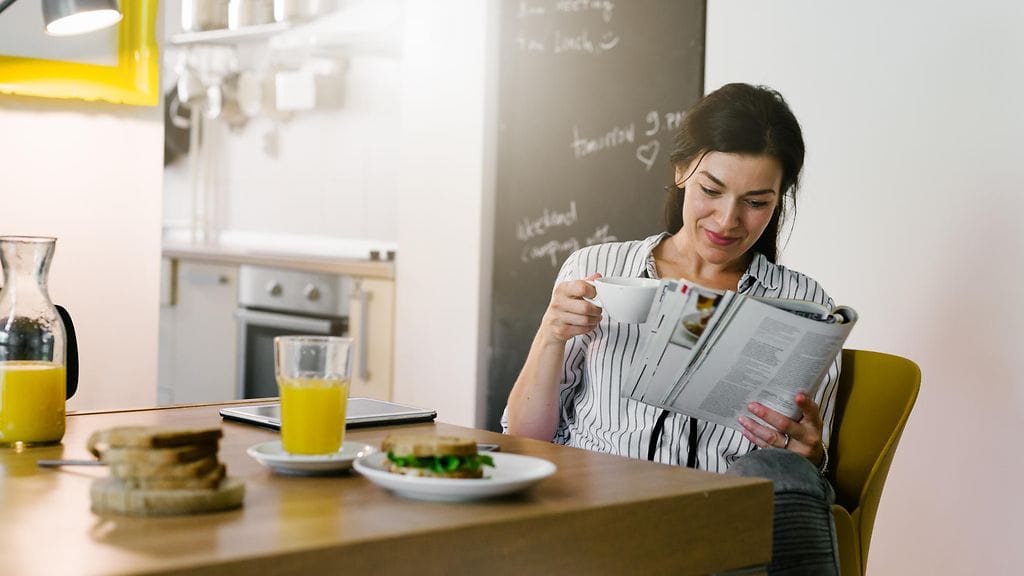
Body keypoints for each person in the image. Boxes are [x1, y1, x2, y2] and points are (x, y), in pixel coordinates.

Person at [502, 83, 840, 575]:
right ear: (682, 171)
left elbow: (801, 476)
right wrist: (551, 335)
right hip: (596, 509)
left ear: (779, 199)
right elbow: (527, 439)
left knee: (782, 480)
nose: (728, 220)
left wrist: (807, 454)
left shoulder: (805, 304)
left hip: (720, 527)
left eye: (757, 202)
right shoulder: (597, 267)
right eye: (711, 191)